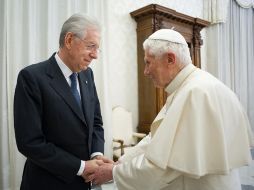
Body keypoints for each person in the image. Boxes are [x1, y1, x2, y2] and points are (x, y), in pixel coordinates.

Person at [86, 29, 254, 190]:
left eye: (148, 62)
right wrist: (120, 163)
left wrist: (114, 173)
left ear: (170, 59)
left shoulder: (194, 93)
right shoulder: (190, 86)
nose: (145, 71)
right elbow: (156, 140)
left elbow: (163, 167)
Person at [13, 13, 112, 190]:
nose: (95, 55)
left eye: (98, 48)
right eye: (91, 46)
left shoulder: (87, 75)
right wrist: (80, 167)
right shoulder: (32, 77)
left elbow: (96, 122)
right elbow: (30, 142)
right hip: (46, 184)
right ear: (69, 40)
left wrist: (96, 155)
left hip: (84, 184)